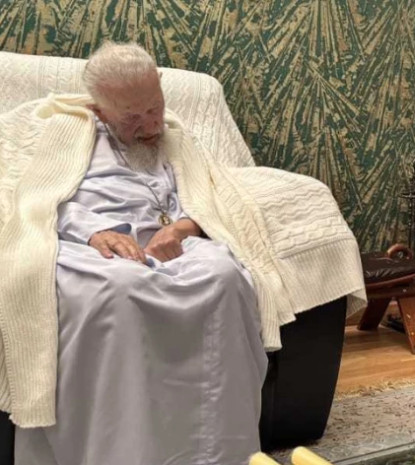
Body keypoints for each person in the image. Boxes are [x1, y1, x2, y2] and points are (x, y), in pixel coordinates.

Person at [0, 41, 366, 465]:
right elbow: (26, 197)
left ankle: (224, 455)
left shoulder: (174, 133)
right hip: (88, 245)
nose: (151, 125)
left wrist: (184, 227)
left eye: (154, 109)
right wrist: (93, 232)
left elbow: (213, 193)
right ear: (100, 109)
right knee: (120, 289)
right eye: (132, 118)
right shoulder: (59, 130)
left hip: (173, 240)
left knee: (225, 275)